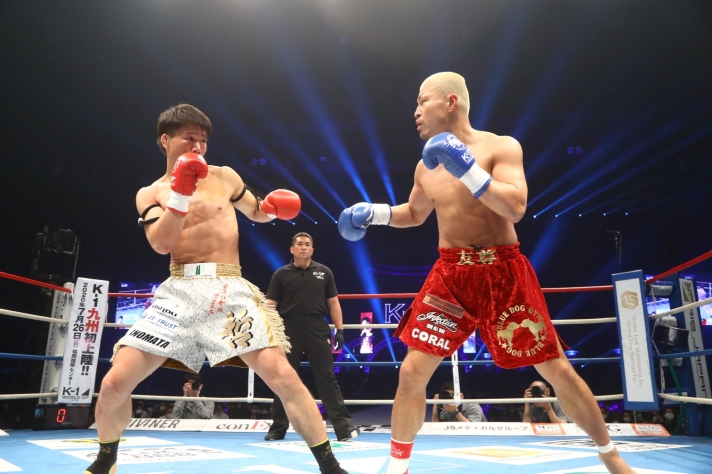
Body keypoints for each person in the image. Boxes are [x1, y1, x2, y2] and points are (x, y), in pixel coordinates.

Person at [337, 72, 635, 474]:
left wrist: (466, 168)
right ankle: (397, 468)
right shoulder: (425, 166)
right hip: (451, 275)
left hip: (503, 270)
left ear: (451, 102)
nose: (415, 112)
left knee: (556, 368)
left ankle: (609, 454)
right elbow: (415, 213)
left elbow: (515, 207)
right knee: (411, 371)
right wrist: (372, 213)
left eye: (423, 101)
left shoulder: (501, 147)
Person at [84, 104, 348, 474]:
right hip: (178, 292)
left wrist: (275, 208)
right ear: (166, 140)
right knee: (114, 382)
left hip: (228, 290)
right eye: (189, 138)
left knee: (284, 375)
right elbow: (161, 243)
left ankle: (330, 465)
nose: (198, 147)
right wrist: (180, 192)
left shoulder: (225, 177)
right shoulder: (151, 192)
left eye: (203, 140)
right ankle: (105, 461)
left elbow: (257, 211)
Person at [264, 232, 360, 442]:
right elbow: (270, 304)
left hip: (317, 327)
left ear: (312, 250)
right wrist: (268, 331)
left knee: (327, 376)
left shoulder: (324, 272)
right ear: (292, 249)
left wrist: (340, 330)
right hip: (288, 328)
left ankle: (344, 428)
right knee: (283, 377)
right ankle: (278, 428)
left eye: (307, 244)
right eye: (299, 244)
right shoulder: (281, 274)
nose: (303, 247)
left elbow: (333, 302)